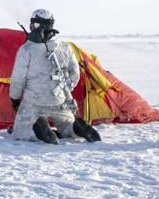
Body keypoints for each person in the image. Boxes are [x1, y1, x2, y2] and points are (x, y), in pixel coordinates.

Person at [8, 9, 101, 144]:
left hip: (33, 103)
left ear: (35, 25)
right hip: (60, 101)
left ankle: (38, 128)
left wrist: (15, 99)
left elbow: (18, 79)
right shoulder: (64, 47)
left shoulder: (26, 49)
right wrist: (64, 89)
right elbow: (75, 73)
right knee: (67, 126)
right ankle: (76, 128)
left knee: (20, 131)